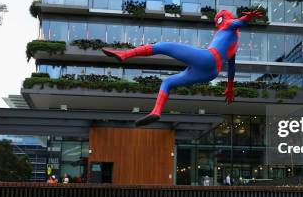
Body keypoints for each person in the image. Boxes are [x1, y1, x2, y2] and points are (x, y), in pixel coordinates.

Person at [103, 9, 264, 126]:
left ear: (222, 18)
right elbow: (232, 67)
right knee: (167, 83)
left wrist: (246, 18)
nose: (216, 23)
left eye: (217, 20)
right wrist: (230, 87)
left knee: (163, 46)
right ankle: (156, 112)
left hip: (208, 59)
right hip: (211, 72)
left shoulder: (228, 24)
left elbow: (238, 22)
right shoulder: (234, 42)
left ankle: (125, 54)